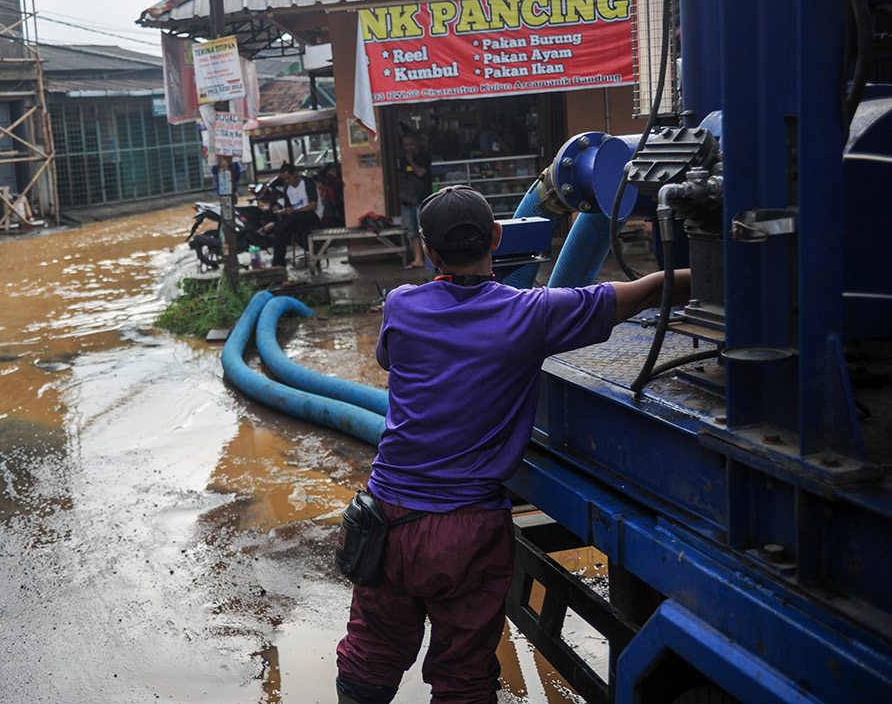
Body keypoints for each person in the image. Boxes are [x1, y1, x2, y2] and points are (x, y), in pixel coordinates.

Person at [335, 185, 690, 704]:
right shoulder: (532, 314)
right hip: (467, 529)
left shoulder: (401, 305)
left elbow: (388, 361)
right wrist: (723, 273)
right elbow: (638, 294)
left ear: (427, 250)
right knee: (463, 673)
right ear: (498, 238)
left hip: (387, 516)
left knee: (370, 653)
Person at [261, 163, 323, 269]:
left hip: (312, 215)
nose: (287, 181)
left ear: (295, 174)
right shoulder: (287, 188)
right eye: (285, 179)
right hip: (295, 219)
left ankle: (274, 226)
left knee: (294, 218)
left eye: (288, 178)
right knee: (281, 233)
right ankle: (278, 265)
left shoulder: (308, 183)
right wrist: (283, 212)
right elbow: (289, 209)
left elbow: (313, 206)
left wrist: (294, 211)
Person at [397, 133, 432, 269]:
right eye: (406, 145)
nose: (409, 147)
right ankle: (418, 259)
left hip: (422, 200)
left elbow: (420, 173)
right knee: (411, 231)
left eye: (411, 144)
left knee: (423, 230)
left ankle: (429, 260)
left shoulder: (424, 156)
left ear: (417, 143)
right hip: (408, 201)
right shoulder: (402, 159)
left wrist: (410, 160)